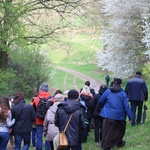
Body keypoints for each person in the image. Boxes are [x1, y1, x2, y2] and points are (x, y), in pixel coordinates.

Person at [97, 78, 133, 150]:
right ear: (120, 84)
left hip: (107, 115)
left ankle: (107, 145)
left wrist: (99, 108)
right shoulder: (123, 94)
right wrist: (131, 117)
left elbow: (101, 101)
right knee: (119, 131)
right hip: (119, 116)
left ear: (113, 83)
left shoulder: (108, 91)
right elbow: (126, 106)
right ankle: (114, 144)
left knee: (107, 131)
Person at [32, 83, 51, 150]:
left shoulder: (36, 99)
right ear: (47, 90)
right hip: (48, 121)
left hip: (38, 120)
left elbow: (33, 110)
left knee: (39, 136)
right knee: (48, 136)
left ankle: (38, 149)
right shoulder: (51, 99)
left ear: (40, 89)